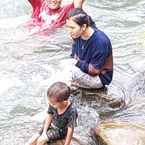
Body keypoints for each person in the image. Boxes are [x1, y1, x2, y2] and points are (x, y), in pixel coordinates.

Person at [65, 8, 113, 89]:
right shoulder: (77, 34)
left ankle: (61, 97)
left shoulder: (100, 41)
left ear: (83, 26)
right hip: (85, 70)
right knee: (63, 66)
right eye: (68, 27)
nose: (69, 31)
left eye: (72, 28)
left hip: (99, 79)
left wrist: (76, 63)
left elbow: (95, 71)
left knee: (70, 70)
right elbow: (74, 55)